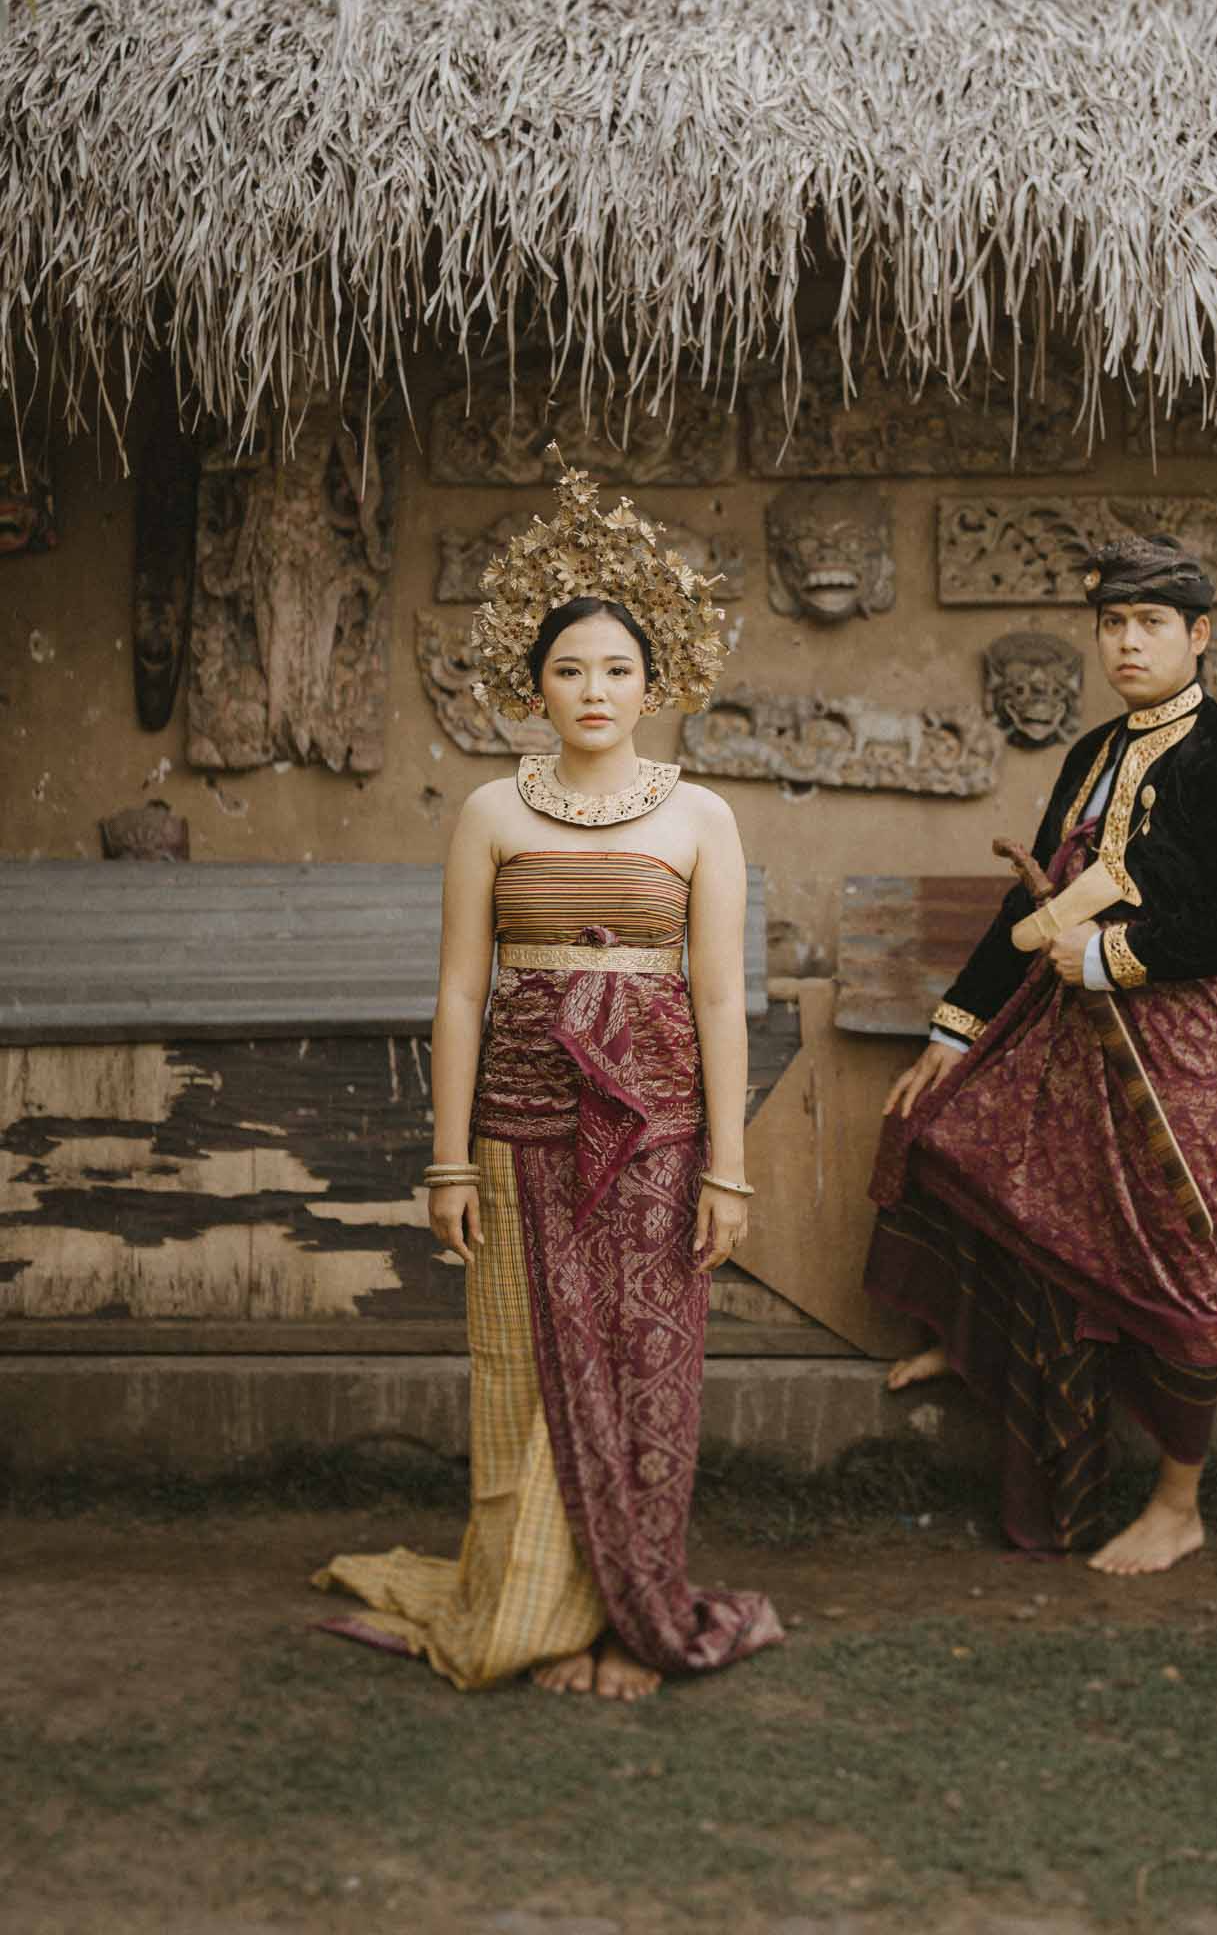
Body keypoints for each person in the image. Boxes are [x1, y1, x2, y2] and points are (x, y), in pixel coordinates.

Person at [314, 459, 782, 1696]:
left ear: (653, 686)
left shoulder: (701, 818)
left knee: (644, 1374)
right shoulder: (488, 813)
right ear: (534, 688)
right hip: (517, 1129)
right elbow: (460, 994)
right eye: (570, 670)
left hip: (656, 1137)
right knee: (523, 1375)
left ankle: (633, 1622)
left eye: (617, 671)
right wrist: (447, 1161)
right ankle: (545, 1616)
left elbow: (718, 999)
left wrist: (729, 1171)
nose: (594, 691)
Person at [865, 533, 1217, 1576]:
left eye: (1151, 623)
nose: (1128, 643)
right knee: (948, 1134)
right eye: (1112, 624)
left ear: (1198, 635)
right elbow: (1038, 900)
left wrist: (1113, 956)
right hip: (1070, 1032)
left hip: (1184, 1051)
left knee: (1169, 1262)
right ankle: (982, 1343)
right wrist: (953, 1031)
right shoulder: (1093, 753)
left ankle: (1178, 1504)